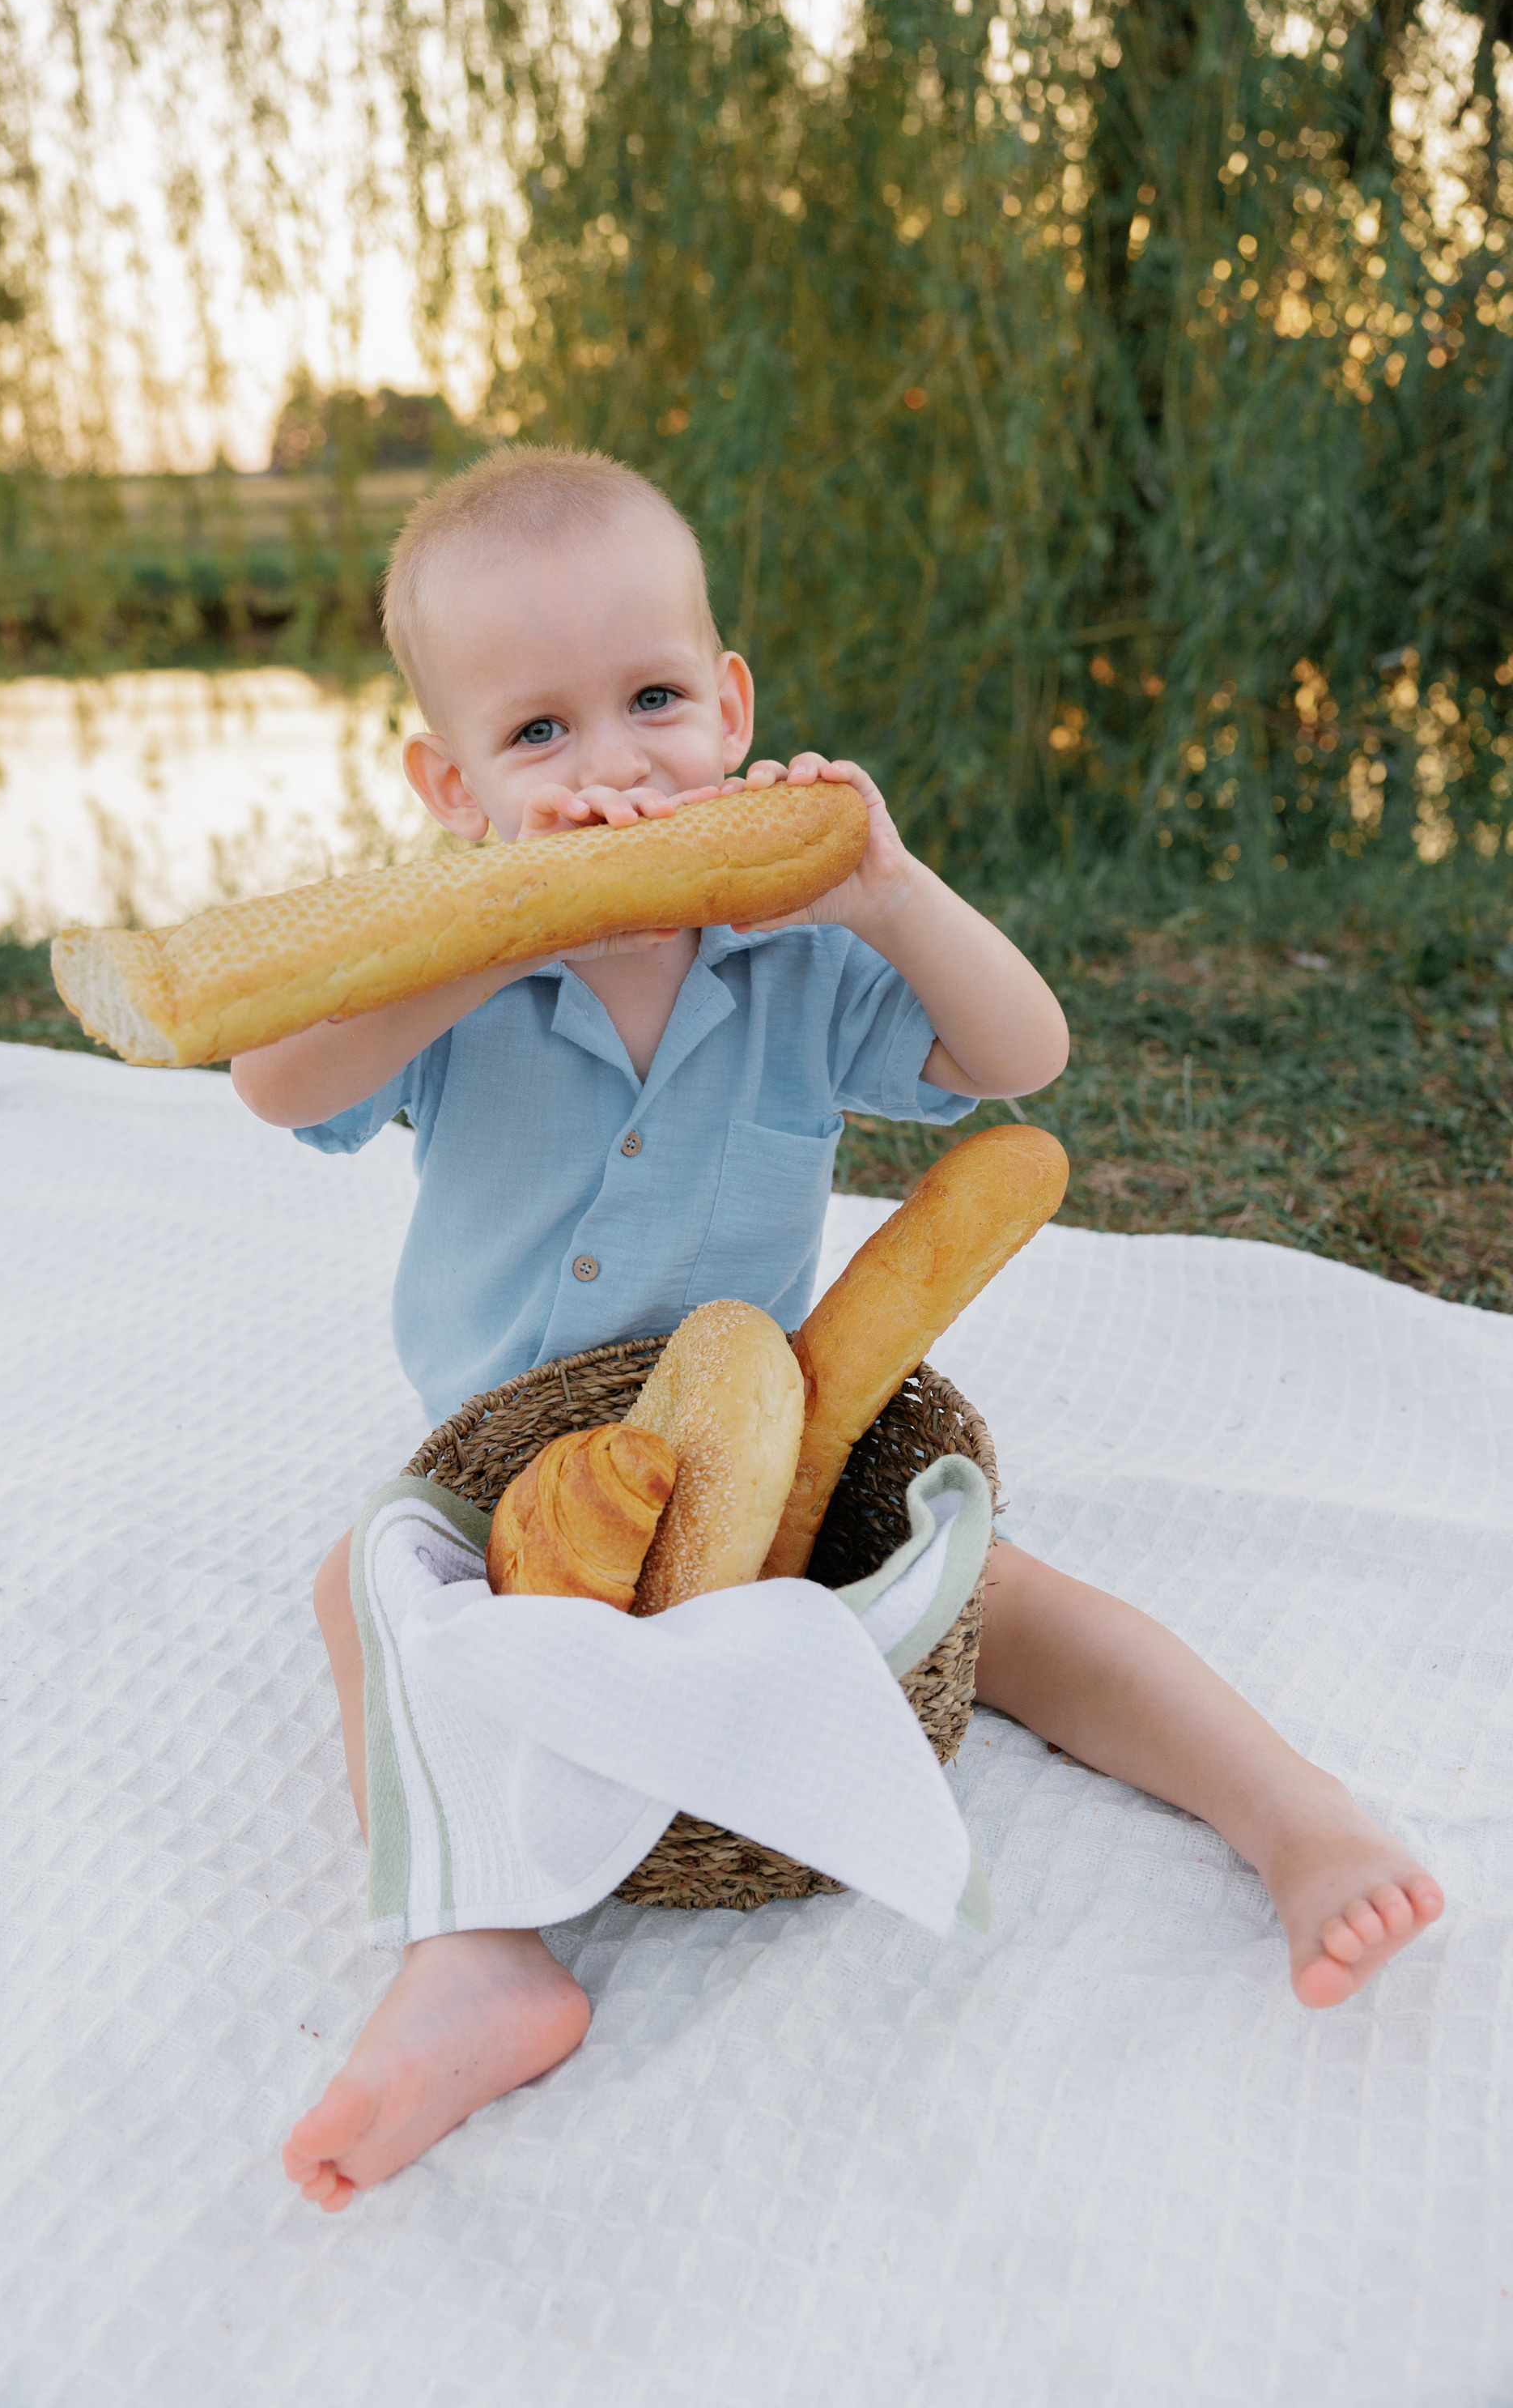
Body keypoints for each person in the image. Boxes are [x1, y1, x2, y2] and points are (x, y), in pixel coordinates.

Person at [230, 447, 1443, 2214]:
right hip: (521, 1482)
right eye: (537, 738)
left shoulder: (794, 950)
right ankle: (477, 1953)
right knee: (366, 1590)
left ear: (730, 708)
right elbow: (276, 1087)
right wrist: (483, 939)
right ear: (448, 783)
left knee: (1006, 1596)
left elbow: (1014, 1058)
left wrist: (883, 887)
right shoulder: (448, 973)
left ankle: (1290, 1810)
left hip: (777, 1445)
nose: (613, 773)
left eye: (651, 701)